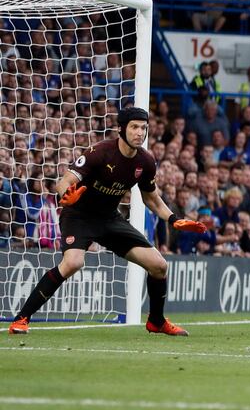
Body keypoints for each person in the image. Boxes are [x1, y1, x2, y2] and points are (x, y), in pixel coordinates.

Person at [8, 108, 207, 336]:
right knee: (73, 263)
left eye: (143, 128)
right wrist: (66, 195)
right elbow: (65, 181)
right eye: (134, 127)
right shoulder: (99, 153)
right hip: (79, 215)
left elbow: (151, 198)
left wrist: (173, 219)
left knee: (159, 265)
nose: (140, 132)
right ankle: (22, 318)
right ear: (121, 129)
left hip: (109, 219)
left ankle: (156, 321)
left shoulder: (145, 161)